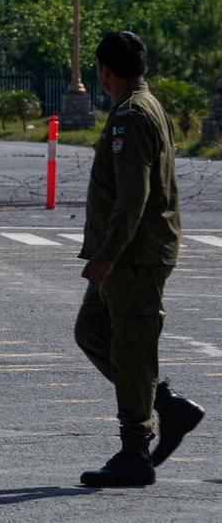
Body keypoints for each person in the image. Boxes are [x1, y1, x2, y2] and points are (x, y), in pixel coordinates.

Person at [74, 31, 204, 487]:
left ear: (105, 72)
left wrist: (107, 255)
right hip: (131, 253)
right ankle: (166, 403)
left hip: (133, 255)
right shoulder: (145, 105)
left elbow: (133, 196)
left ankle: (136, 451)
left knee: (132, 345)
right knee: (93, 332)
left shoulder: (131, 115)